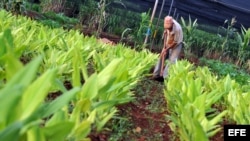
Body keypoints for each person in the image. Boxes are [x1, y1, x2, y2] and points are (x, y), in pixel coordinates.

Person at [152, 16, 183, 81]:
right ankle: (156, 74)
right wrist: (164, 48)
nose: (168, 30)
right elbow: (166, 35)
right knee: (162, 55)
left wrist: (166, 49)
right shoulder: (167, 24)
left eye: (169, 29)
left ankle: (165, 77)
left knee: (172, 60)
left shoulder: (177, 29)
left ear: (172, 25)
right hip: (169, 40)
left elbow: (175, 42)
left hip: (177, 44)